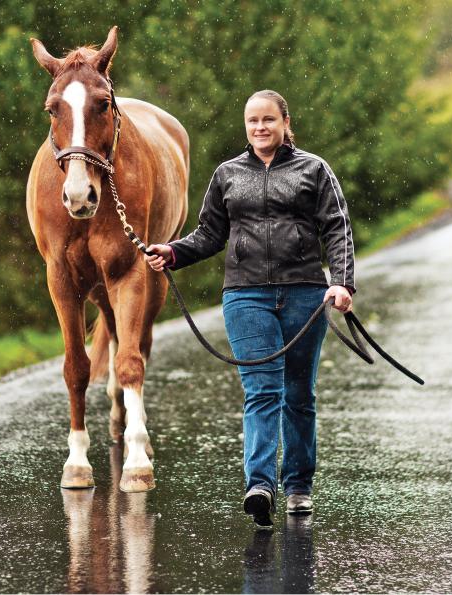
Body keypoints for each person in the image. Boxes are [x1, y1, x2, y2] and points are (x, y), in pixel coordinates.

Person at [144, 90, 356, 528]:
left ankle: (298, 486)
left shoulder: (313, 170)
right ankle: (259, 486)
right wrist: (174, 251)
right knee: (262, 390)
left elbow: (337, 228)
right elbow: (209, 234)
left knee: (299, 395)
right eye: (252, 121)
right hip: (245, 295)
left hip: (304, 294)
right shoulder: (228, 174)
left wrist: (341, 282)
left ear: (284, 122)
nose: (260, 128)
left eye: (268, 120)